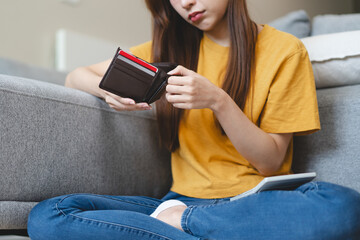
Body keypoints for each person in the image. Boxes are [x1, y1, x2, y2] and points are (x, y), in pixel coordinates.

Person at [27, 0, 360, 239]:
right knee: (49, 216)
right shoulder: (167, 51)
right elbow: (76, 76)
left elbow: (271, 162)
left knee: (343, 208)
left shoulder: (285, 51)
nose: (186, 3)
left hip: (253, 203)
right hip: (175, 203)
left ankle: (187, 224)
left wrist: (218, 101)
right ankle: (195, 225)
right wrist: (108, 91)